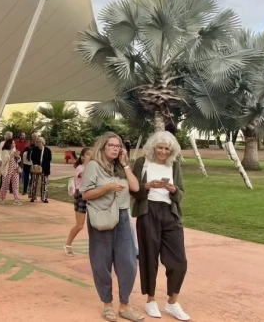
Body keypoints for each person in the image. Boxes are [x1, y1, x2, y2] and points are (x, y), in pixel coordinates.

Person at [80, 132, 142, 322]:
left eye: (118, 146)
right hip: (103, 218)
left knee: (129, 263)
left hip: (123, 217)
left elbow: (136, 188)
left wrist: (125, 164)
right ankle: (107, 304)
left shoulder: (120, 168)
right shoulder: (94, 166)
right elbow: (85, 194)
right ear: (103, 147)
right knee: (102, 263)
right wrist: (107, 188)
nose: (116, 148)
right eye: (112, 146)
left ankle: (124, 305)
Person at [131, 131, 189, 321]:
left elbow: (180, 195)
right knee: (149, 258)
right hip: (148, 213)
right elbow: (134, 190)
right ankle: (151, 300)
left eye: (166, 148)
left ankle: (172, 302)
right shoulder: (142, 163)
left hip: (170, 215)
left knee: (179, 261)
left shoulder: (174, 165)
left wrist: (173, 190)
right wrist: (147, 186)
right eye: (160, 147)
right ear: (153, 147)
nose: (163, 151)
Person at [64, 147, 92, 256]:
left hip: (93, 196)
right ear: (83, 157)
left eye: (93, 155)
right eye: (89, 154)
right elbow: (86, 176)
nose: (91, 157)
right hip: (81, 196)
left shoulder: (94, 168)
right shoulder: (80, 168)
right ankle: (68, 244)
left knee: (94, 224)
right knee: (80, 225)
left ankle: (95, 248)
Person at [0, 139, 23, 205]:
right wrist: (13, 154)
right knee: (5, 185)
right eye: (12, 143)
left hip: (15, 170)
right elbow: (5, 159)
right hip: (7, 170)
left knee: (16, 185)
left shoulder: (13, 151)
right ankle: (2, 198)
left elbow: (17, 160)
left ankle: (16, 199)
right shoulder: (4, 151)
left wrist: (18, 157)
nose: (14, 144)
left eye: (14, 143)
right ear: (8, 144)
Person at [28, 136, 52, 203]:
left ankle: (44, 198)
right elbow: (32, 158)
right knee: (34, 183)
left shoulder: (47, 150)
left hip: (45, 168)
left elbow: (49, 159)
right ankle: (33, 197)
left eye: (40, 142)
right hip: (36, 168)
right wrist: (37, 164)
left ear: (43, 142)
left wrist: (43, 165)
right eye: (38, 142)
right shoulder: (34, 149)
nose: (39, 143)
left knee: (44, 183)